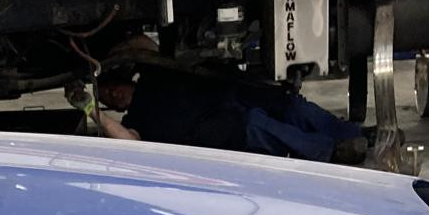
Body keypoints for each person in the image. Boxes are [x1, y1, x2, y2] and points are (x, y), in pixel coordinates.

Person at [95, 61, 366, 165]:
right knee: (260, 126)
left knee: (291, 105)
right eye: (107, 99)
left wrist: (115, 54)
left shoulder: (152, 72)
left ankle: (355, 135)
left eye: (111, 88)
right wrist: (94, 112)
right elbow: (129, 142)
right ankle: (331, 152)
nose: (114, 95)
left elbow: (143, 45)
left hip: (232, 92)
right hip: (222, 125)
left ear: (123, 78)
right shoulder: (136, 121)